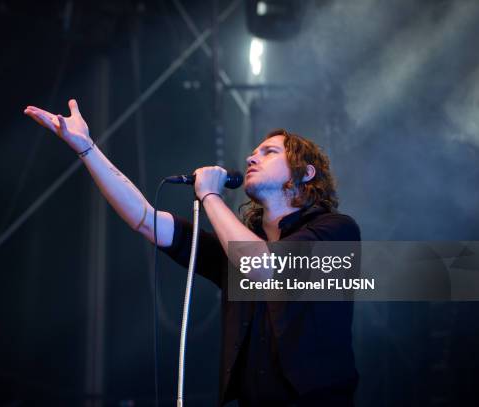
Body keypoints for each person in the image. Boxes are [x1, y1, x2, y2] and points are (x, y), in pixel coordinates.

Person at [24, 99, 361, 406]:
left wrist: (210, 196)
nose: (250, 157)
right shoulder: (235, 251)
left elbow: (263, 267)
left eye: (269, 152)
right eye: (254, 151)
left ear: (304, 173)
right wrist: (87, 149)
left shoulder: (336, 231)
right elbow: (146, 220)